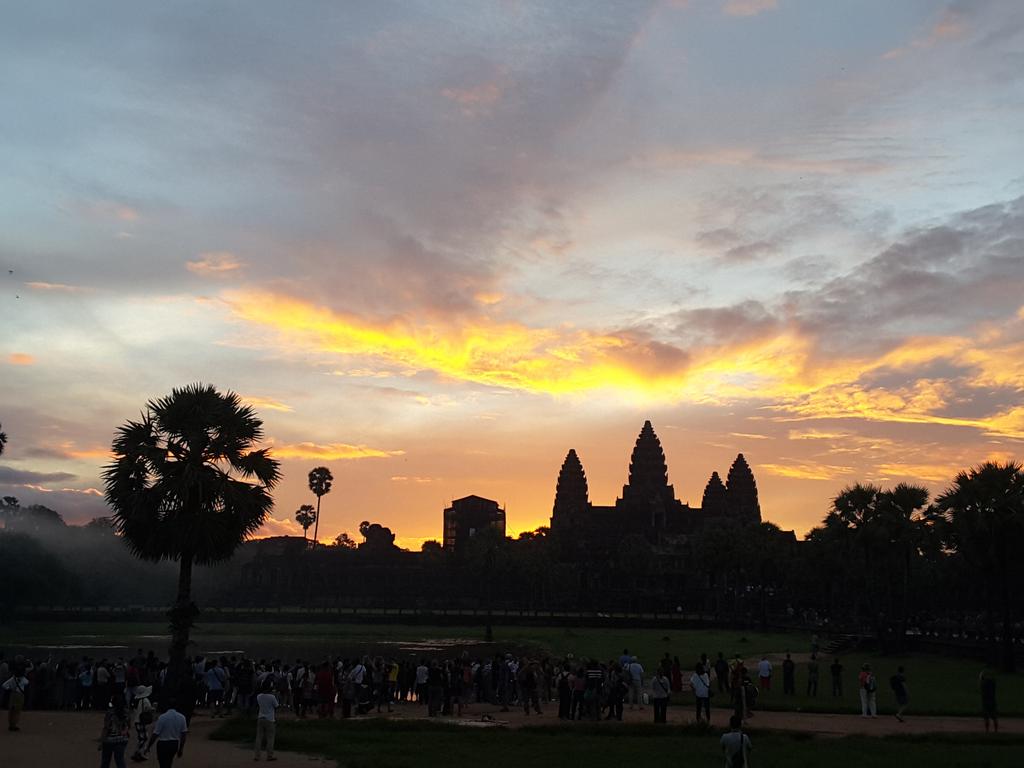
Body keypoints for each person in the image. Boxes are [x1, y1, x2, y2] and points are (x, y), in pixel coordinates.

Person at [145, 701, 188, 768]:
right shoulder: (182, 717)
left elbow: (155, 734)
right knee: (169, 761)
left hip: (163, 743)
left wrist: (149, 746)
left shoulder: (162, 717)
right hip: (174, 743)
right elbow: (184, 734)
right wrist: (181, 748)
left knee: (162, 763)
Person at [99, 692, 131, 768]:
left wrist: (102, 741)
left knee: (105, 761)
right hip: (122, 739)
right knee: (120, 761)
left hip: (109, 740)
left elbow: (106, 728)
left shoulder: (110, 713)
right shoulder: (126, 712)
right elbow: (128, 725)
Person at [130, 684, 155, 762]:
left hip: (138, 721)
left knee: (142, 737)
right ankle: (137, 752)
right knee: (143, 738)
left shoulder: (139, 701)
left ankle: (139, 753)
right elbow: (148, 709)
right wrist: (153, 708)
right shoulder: (146, 700)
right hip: (141, 721)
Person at [255, 680, 279, 761]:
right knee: (270, 738)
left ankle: (257, 756)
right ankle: (269, 755)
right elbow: (276, 706)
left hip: (260, 717)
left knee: (259, 737)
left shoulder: (259, 696)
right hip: (270, 719)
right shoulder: (272, 697)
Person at [2, 667, 29, 731]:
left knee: (11, 710)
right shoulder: (23, 679)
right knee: (17, 711)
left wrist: (10, 688)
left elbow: (4, 685)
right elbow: (27, 682)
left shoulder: (12, 679)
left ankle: (11, 724)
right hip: (19, 695)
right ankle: (14, 725)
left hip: (13, 694)